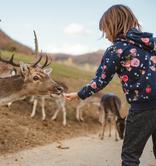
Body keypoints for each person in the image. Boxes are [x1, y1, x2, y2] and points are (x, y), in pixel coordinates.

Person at [64, 4, 156, 166]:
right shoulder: (151, 44)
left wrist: (79, 94)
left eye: (105, 30)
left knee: (130, 156)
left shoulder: (116, 50)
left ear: (114, 25)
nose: (105, 35)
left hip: (143, 107)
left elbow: (100, 80)